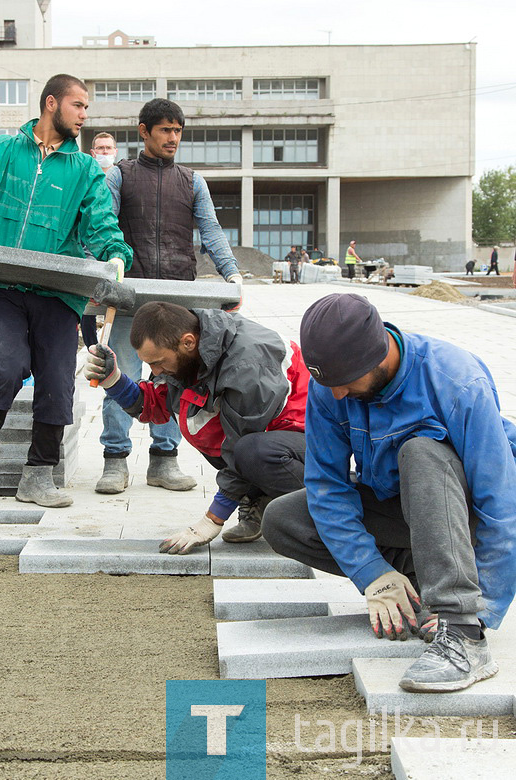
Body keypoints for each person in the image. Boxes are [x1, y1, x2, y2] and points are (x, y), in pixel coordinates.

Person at [262, 293, 516, 693]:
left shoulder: (454, 379)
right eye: (331, 385)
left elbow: (500, 501)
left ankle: (463, 630)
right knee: (284, 518)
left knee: (422, 451)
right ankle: (420, 585)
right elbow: (327, 486)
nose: (339, 395)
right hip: (406, 511)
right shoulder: (332, 388)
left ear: (378, 356)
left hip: (462, 514)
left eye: (345, 383)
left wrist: (487, 605)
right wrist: (374, 574)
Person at [0, 74, 132, 509]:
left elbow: (100, 222)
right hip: (1, 284)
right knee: (7, 368)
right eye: (78, 105)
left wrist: (114, 255)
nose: (85, 115)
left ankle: (39, 475)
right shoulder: (1, 152)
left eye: (86, 107)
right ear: (52, 104)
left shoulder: (83, 169)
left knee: (56, 381)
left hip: (56, 290)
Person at [96, 98, 243, 498]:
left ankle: (164, 459)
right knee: (119, 377)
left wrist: (231, 275)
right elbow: (103, 224)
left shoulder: (192, 181)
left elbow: (210, 231)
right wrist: (101, 273)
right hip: (128, 299)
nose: (173, 138)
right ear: (144, 131)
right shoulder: (120, 177)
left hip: (179, 301)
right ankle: (115, 459)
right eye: (165, 130)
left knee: (175, 380)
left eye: (178, 131)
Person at [85, 301, 310, 549]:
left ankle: (318, 512)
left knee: (252, 450)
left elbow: (239, 446)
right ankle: (258, 496)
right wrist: (113, 380)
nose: (154, 370)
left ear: (188, 342)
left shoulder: (246, 365)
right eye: (149, 364)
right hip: (267, 437)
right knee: (204, 429)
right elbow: (155, 404)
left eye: (158, 362)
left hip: (309, 445)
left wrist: (211, 521)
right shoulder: (189, 353)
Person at [78, 132, 121, 347]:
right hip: (89, 249)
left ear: (115, 152)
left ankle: (110, 343)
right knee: (89, 303)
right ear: (93, 153)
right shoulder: (87, 179)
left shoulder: (121, 180)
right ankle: (91, 345)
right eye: (100, 149)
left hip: (115, 248)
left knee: (113, 299)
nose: (104, 152)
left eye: (108, 148)